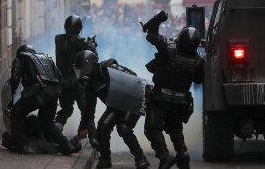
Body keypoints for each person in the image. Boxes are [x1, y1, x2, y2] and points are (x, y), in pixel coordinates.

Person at [141, 11, 205, 169]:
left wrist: (157, 20)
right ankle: (183, 155)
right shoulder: (199, 61)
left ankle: (164, 157)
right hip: (180, 101)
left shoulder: (169, 49)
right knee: (175, 129)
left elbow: (151, 36)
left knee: (152, 129)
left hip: (160, 99)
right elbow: (198, 80)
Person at [74, 50, 150, 169]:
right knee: (103, 126)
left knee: (123, 128)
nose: (81, 72)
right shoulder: (90, 84)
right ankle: (105, 159)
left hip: (132, 100)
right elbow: (89, 109)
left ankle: (141, 158)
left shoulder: (108, 68)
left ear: (89, 65)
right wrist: (83, 126)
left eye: (82, 68)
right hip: (116, 105)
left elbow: (133, 78)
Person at [8, 45, 78, 155]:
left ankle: (21, 145)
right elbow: (60, 77)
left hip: (37, 91)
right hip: (54, 92)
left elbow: (15, 77)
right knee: (47, 122)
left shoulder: (21, 58)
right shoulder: (47, 58)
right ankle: (66, 145)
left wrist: (13, 95)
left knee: (16, 114)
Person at [55, 15, 100, 149]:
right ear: (79, 28)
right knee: (86, 112)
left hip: (63, 82)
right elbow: (93, 58)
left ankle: (55, 131)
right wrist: (92, 46)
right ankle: (93, 138)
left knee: (66, 109)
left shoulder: (58, 39)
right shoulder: (82, 42)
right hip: (78, 82)